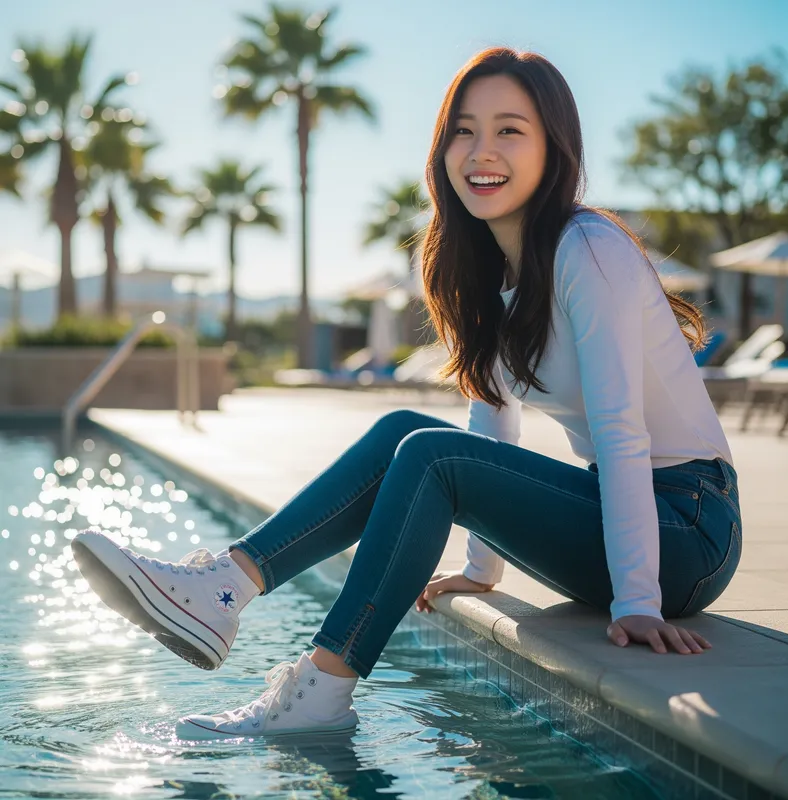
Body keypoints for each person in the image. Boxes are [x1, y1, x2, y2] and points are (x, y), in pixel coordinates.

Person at [70, 47, 741, 741]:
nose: (482, 150)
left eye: (510, 129)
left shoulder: (587, 246)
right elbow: (492, 419)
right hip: (620, 518)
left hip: (689, 532)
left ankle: (322, 688)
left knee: (429, 455)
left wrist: (638, 600)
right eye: (464, 130)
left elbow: (621, 429)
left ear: (554, 147)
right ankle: (226, 586)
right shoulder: (502, 275)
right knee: (403, 431)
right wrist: (481, 568)